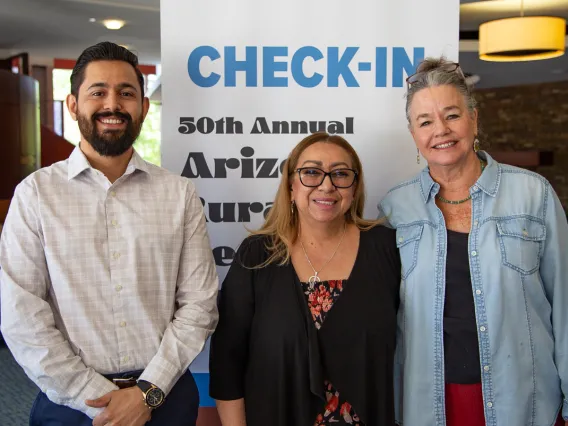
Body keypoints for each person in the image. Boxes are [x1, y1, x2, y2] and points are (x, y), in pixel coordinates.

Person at [0, 42, 219, 426]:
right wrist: (97, 402)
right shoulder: (35, 195)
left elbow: (199, 305)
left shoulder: (178, 193)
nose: (112, 104)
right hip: (69, 405)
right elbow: (22, 317)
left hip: (165, 397)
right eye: (98, 92)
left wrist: (147, 394)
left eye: (127, 93)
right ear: (73, 105)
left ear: (144, 108)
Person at [379, 57, 568, 426]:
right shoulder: (395, 209)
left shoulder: (533, 194)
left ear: (474, 119)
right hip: (428, 404)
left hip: (524, 402)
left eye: (451, 115)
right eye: (425, 121)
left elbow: (565, 306)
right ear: (414, 135)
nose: (441, 130)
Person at [209, 132, 401, 426]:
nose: (327, 185)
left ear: (354, 187)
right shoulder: (257, 255)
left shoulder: (387, 249)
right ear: (290, 186)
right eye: (311, 172)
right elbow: (227, 359)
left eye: (340, 174)